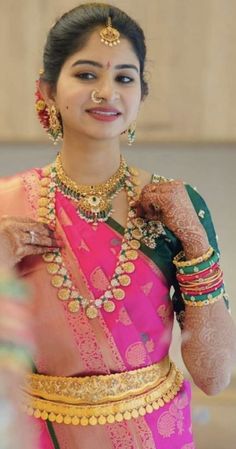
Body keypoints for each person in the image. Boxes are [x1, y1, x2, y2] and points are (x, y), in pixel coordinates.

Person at [0, 3, 235, 448]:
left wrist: (196, 243)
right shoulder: (8, 207)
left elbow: (214, 375)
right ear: (47, 90)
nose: (107, 92)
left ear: (141, 95)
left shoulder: (177, 207)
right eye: (86, 74)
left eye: (125, 78)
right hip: (41, 434)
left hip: (154, 433)